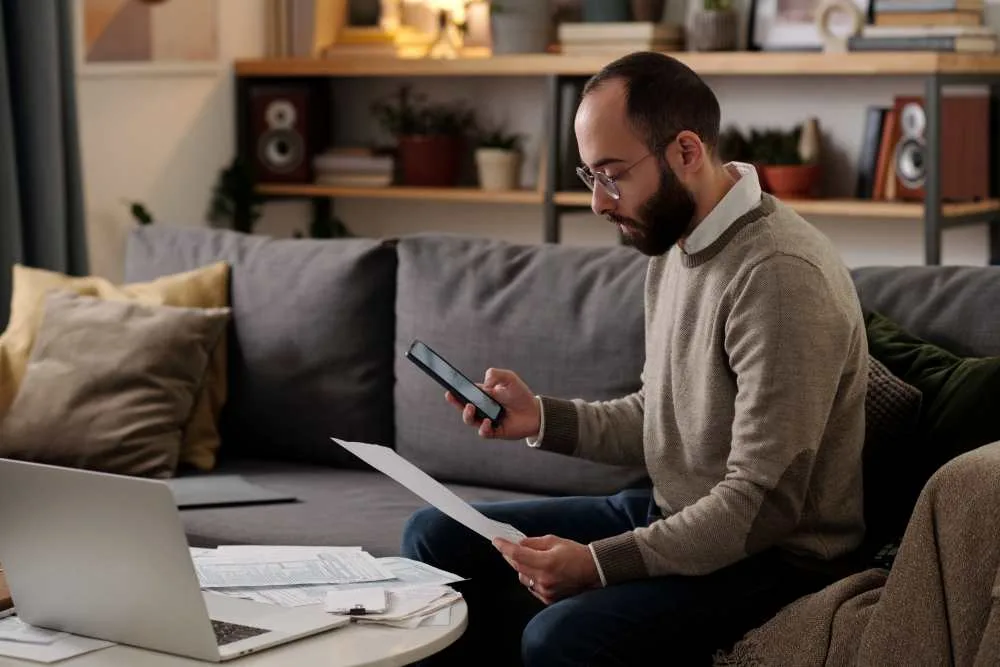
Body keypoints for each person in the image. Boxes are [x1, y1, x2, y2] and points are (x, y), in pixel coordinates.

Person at [401, 51, 869, 667]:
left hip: (772, 558)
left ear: (685, 152)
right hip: (676, 512)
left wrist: (597, 565)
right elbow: (662, 416)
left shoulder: (780, 277)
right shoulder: (675, 240)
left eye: (612, 173)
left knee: (558, 638)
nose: (599, 201)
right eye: (589, 175)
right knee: (433, 535)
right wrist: (538, 417)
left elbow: (763, 506)